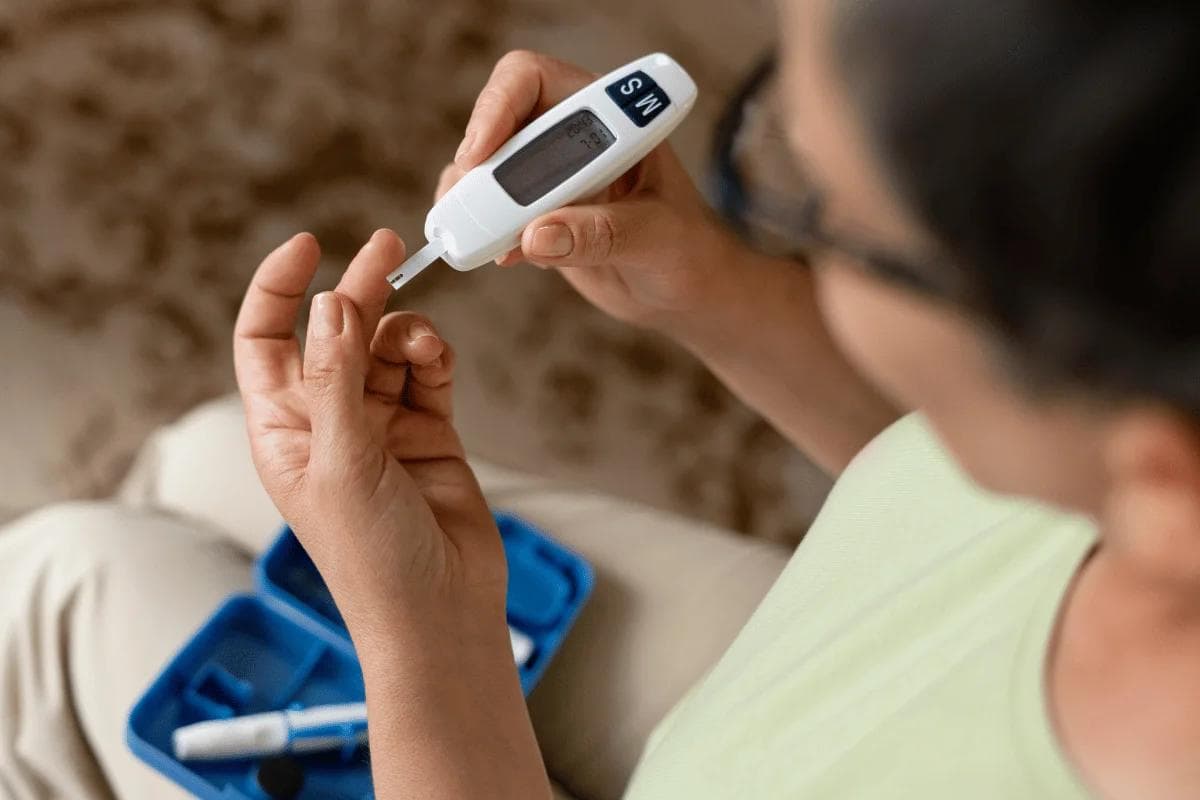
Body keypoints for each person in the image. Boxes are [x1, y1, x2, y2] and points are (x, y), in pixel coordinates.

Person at [2, 0, 1198, 797]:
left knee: (64, 587)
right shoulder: (1138, 413)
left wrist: (427, 641)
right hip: (848, 647)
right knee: (210, 458)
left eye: (826, 217)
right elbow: (947, 472)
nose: (795, 231)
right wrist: (715, 287)